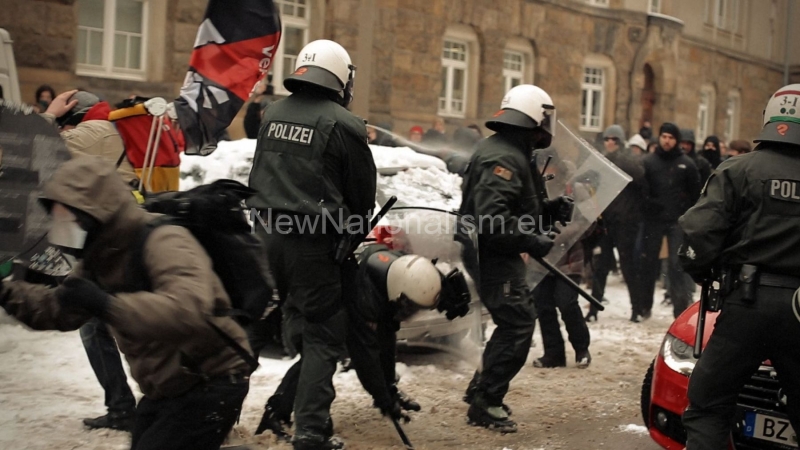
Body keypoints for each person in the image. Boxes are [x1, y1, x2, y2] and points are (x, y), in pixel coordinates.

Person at [0, 157, 252, 450]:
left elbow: (188, 310)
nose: (63, 226)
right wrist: (5, 293)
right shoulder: (99, 254)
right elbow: (56, 311)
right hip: (165, 386)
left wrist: (107, 305)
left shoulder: (163, 239)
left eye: (68, 216)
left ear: (93, 210)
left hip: (213, 379)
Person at [247, 39, 377, 450]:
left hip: (266, 237)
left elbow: (261, 174)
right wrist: (351, 230)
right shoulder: (345, 124)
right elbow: (361, 195)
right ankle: (311, 430)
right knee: (324, 335)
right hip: (313, 245)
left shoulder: (272, 114)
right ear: (340, 75)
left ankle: (228, 411)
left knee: (274, 324)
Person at [678, 84, 800, 449]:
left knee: (708, 406)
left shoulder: (737, 170)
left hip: (746, 303)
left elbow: (698, 232)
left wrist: (702, 268)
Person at [255, 243, 471, 440]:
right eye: (409, 307)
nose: (410, 313)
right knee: (318, 355)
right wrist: (383, 400)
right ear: (398, 296)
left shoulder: (401, 270)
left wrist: (388, 390)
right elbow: (365, 357)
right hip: (304, 304)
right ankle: (277, 413)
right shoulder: (367, 298)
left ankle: (292, 414)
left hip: (323, 292)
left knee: (322, 352)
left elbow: (386, 339)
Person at [458, 84, 564, 432]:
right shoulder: (503, 156)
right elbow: (492, 220)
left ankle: (481, 389)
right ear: (532, 117)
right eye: (544, 117)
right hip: (492, 253)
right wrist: (532, 240)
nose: (546, 126)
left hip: (496, 250)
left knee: (513, 321)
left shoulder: (512, 150)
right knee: (517, 323)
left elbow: (516, 208)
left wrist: (550, 210)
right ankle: (486, 401)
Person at [41, 89, 140, 430]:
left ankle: (128, 408)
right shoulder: (104, 130)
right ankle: (128, 406)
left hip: (109, 240)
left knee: (97, 323)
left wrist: (48, 115)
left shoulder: (93, 131)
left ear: (72, 115)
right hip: (116, 236)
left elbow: (30, 148)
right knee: (106, 322)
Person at [634, 124, 701, 320]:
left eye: (671, 137)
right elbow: (641, 191)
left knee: (676, 265)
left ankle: (680, 311)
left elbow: (695, 195)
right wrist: (650, 205)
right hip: (653, 220)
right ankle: (644, 306)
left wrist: (687, 215)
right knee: (648, 264)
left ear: (677, 140)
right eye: (664, 136)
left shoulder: (686, 164)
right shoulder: (648, 162)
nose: (667, 141)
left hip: (677, 221)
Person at [532, 158, 592, 368]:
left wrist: (560, 235)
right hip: (542, 258)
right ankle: (553, 353)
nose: (544, 170)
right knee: (543, 306)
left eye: (547, 165)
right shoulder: (534, 190)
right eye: (539, 165)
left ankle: (581, 348)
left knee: (567, 303)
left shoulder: (576, 189)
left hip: (569, 257)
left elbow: (586, 223)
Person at [586, 124, 647, 323]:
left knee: (628, 265)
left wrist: (614, 160)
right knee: (601, 265)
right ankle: (593, 308)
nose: (610, 142)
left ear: (621, 142)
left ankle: (636, 308)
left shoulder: (628, 160)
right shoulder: (600, 161)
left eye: (615, 139)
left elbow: (639, 178)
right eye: (607, 139)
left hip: (625, 222)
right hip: (606, 221)